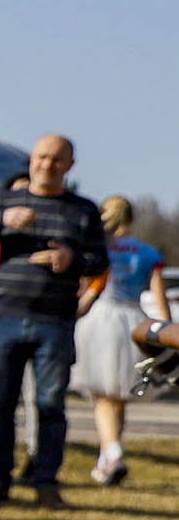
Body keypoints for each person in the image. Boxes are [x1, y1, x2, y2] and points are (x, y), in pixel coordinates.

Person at [0, 134, 108, 506]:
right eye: (42, 157)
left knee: (49, 405)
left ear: (70, 166)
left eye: (57, 160)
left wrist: (71, 261)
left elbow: (100, 262)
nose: (48, 165)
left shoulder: (83, 210)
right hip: (6, 315)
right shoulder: (4, 201)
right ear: (32, 159)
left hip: (55, 321)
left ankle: (46, 483)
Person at [81, 196, 167, 485]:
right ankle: (109, 459)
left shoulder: (99, 248)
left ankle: (113, 452)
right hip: (133, 321)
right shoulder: (148, 253)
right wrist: (165, 330)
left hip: (100, 319)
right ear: (131, 219)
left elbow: (87, 286)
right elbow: (159, 298)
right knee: (119, 396)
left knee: (104, 396)